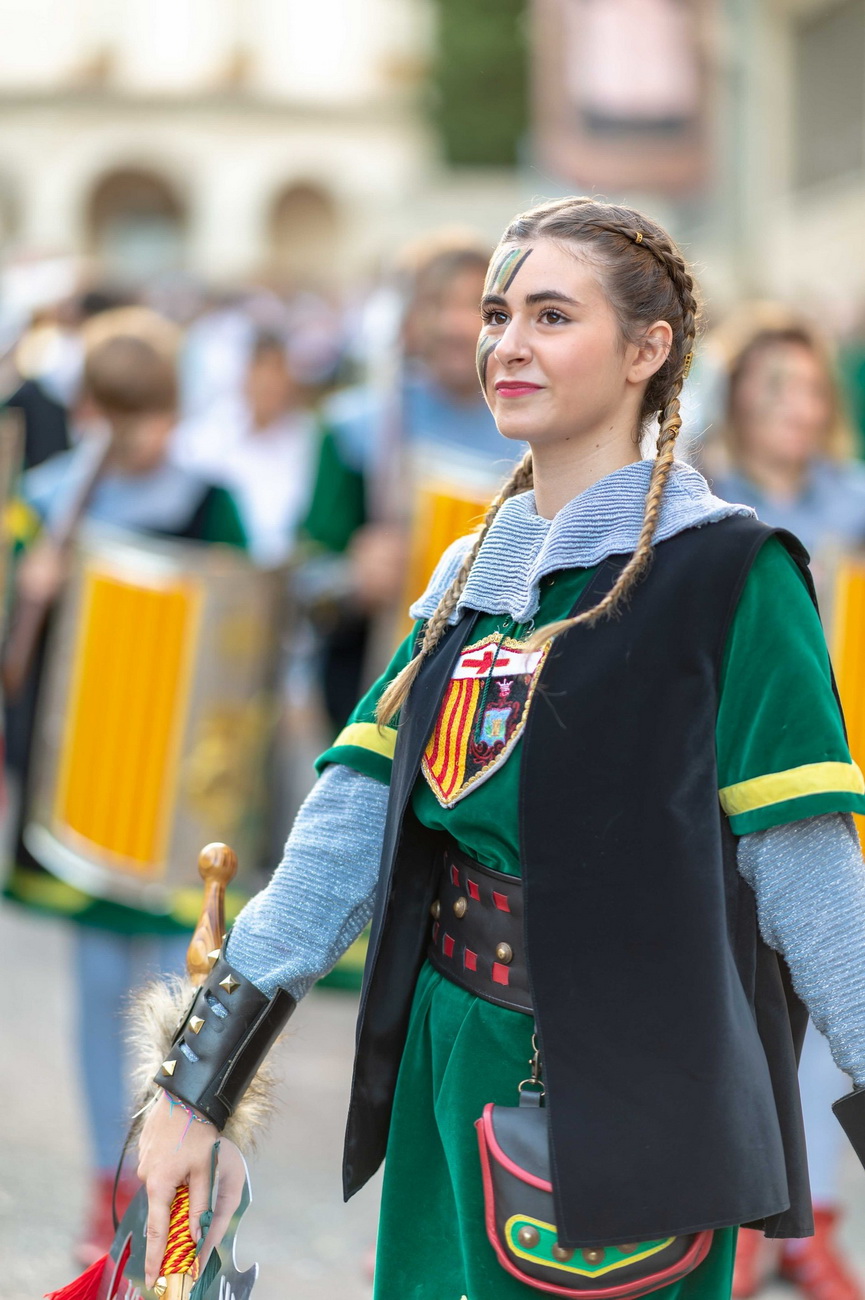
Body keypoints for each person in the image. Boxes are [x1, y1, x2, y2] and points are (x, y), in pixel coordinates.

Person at [137, 198, 865, 1300]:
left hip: (630, 1093)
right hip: (450, 1056)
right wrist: (197, 1089)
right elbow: (342, 834)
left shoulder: (733, 575)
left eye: (551, 316)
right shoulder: (470, 574)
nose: (506, 344)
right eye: (495, 313)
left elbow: (809, 876)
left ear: (646, 351)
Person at [5, 323, 247, 1267]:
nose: (140, 437)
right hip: (89, 795)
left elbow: (243, 638)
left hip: (178, 803)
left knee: (176, 999)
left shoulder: (212, 503)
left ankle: (166, 1180)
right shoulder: (43, 504)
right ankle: (105, 1183)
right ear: (88, 412)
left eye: (153, 416)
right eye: (119, 416)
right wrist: (31, 589)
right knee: (100, 993)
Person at [708, 316, 865, 1300]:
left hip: (838, 772)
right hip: (732, 775)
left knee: (835, 988)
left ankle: (809, 1223)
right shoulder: (703, 499)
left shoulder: (849, 499)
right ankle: (737, 1223)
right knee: (735, 1001)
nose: (796, 409)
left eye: (811, 389)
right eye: (776, 388)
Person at [299, 234, 518, 733]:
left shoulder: (538, 432)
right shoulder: (357, 429)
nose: (455, 324)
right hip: (377, 690)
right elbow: (306, 577)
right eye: (437, 303)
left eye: (479, 308)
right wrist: (352, 578)